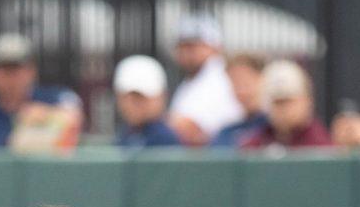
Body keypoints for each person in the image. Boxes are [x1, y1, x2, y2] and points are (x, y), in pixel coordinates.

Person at [0, 33, 83, 151]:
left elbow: (73, 114)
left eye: (16, 68)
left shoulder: (55, 97)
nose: (11, 77)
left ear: (32, 70)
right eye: (3, 69)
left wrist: (42, 116)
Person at [168, 14, 243, 146]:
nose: (186, 53)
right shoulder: (192, 80)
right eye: (182, 46)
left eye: (193, 47)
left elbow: (189, 128)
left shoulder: (219, 76)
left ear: (215, 47)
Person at [240, 60, 331, 150]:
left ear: (306, 101)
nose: (283, 109)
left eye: (288, 101)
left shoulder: (319, 145)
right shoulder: (258, 141)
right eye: (277, 102)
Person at [113, 55, 181, 148]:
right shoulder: (126, 134)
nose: (133, 105)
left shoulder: (164, 138)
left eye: (141, 97)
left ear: (161, 96)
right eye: (129, 97)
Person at [211, 53, 267, 147]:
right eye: (235, 83)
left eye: (246, 82)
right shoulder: (226, 132)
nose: (241, 90)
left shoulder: (274, 130)